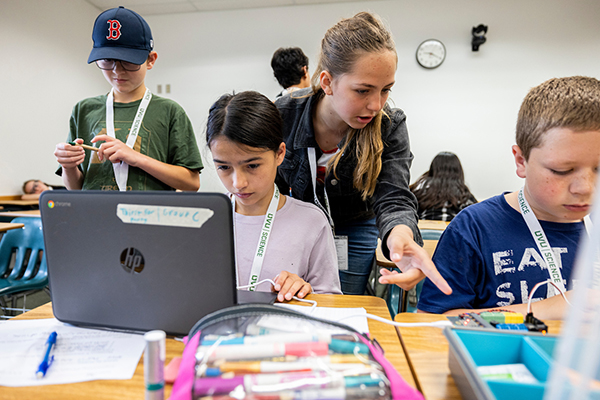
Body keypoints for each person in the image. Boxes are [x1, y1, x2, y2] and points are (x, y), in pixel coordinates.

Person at [274, 12, 451, 296]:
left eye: (385, 90)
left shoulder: (390, 126)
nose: (376, 105)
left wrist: (401, 235)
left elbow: (393, 196)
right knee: (292, 297)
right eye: (363, 90)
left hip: (355, 226)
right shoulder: (284, 115)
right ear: (327, 82)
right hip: (297, 223)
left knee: (343, 299)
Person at [417, 76, 600, 319]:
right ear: (521, 160)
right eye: (561, 170)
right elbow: (430, 321)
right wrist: (540, 310)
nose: (585, 188)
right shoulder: (475, 228)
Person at [206, 91, 342, 302]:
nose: (238, 183)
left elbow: (331, 301)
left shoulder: (311, 222)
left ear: (279, 154)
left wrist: (305, 291)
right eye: (224, 167)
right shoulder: (204, 219)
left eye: (252, 166)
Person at [53, 6, 202, 191]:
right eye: (107, 60)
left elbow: (192, 183)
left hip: (148, 216)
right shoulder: (84, 110)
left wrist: (137, 158)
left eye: (128, 61)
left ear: (151, 60)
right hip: (94, 216)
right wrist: (68, 166)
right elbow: (75, 189)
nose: (117, 70)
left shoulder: (170, 112)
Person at [410, 151, 477, 221]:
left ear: (433, 170)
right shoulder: (465, 198)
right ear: (459, 172)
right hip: (452, 231)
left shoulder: (420, 195)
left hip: (422, 230)